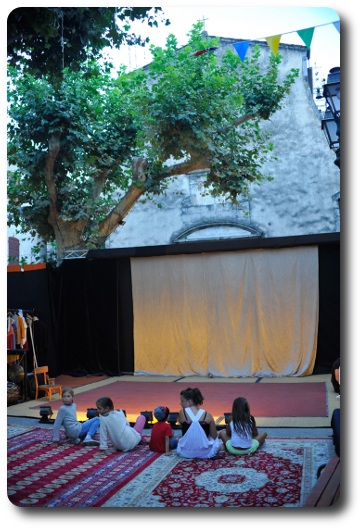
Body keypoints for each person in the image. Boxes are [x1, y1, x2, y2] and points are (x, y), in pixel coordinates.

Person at [176, 387, 220, 459]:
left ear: (189, 402)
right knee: (215, 439)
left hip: (185, 452)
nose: (180, 404)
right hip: (206, 453)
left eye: (182, 401)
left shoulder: (182, 412)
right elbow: (214, 436)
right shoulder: (207, 414)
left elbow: (183, 429)